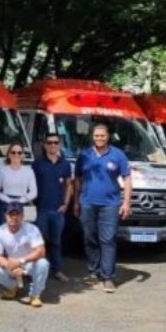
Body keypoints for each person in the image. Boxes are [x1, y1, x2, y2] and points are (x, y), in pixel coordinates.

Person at [73, 123, 132, 293]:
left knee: (108, 240)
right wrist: (76, 202)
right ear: (92, 137)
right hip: (87, 203)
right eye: (96, 136)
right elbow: (77, 179)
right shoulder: (84, 155)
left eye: (102, 136)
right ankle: (94, 271)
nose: (99, 138)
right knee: (89, 238)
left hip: (110, 205)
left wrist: (126, 202)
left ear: (108, 137)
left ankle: (108, 277)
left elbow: (127, 179)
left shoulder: (118, 155)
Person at [0, 201, 49, 307]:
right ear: (5, 216)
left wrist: (21, 261)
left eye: (17, 214)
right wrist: (10, 265)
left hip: (28, 263)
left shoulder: (32, 229)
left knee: (43, 264)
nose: (14, 217)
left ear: (23, 216)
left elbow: (41, 251)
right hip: (12, 264)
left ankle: (35, 295)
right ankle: (12, 287)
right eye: (11, 214)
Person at [32, 132, 73, 282]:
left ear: (60, 145)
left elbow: (69, 185)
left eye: (55, 142)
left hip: (58, 210)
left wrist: (65, 204)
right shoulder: (37, 164)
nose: (52, 145)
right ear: (44, 145)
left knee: (56, 242)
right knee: (38, 242)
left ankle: (57, 270)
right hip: (41, 209)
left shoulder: (65, 164)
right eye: (49, 143)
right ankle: (37, 271)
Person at [0, 142, 36, 224]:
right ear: (9, 154)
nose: (16, 154)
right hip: (6, 205)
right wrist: (8, 200)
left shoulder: (29, 171)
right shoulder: (2, 170)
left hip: (23, 204)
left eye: (19, 152)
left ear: (23, 155)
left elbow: (34, 192)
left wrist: (21, 200)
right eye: (13, 152)